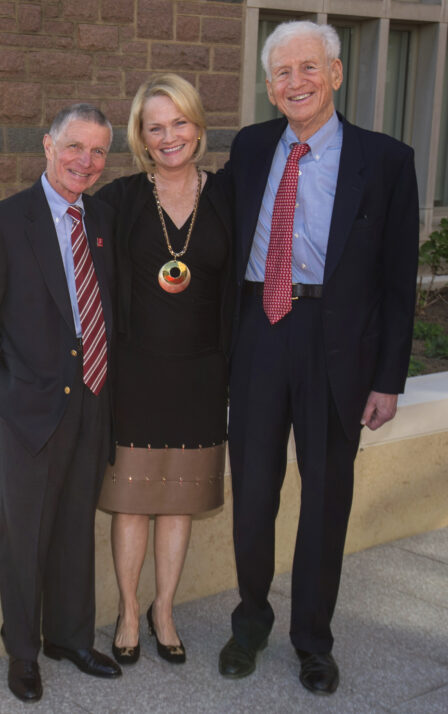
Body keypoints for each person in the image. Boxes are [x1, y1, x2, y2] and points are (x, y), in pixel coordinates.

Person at [219, 21, 418, 695]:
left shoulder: (386, 160)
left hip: (339, 347)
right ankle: (250, 623)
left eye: (308, 68)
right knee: (251, 495)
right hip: (258, 334)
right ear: (269, 86)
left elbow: (397, 281)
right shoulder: (249, 149)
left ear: (335, 74)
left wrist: (389, 378)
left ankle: (313, 639)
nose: (295, 82)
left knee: (326, 499)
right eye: (281, 72)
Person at [0, 103, 121, 703]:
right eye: (75, 146)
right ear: (47, 146)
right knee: (23, 536)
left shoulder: (102, 220)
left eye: (99, 151)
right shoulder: (2, 223)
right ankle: (23, 652)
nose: (86, 161)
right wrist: (1, 393)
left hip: (92, 401)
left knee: (77, 527)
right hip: (29, 408)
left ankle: (71, 638)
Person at [93, 74, 232, 667]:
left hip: (202, 374)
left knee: (178, 500)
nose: (169, 136)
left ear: (197, 126)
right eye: (156, 127)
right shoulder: (120, 200)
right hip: (134, 375)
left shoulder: (228, 196)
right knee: (132, 502)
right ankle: (128, 610)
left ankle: (164, 609)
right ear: (142, 138)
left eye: (179, 122)